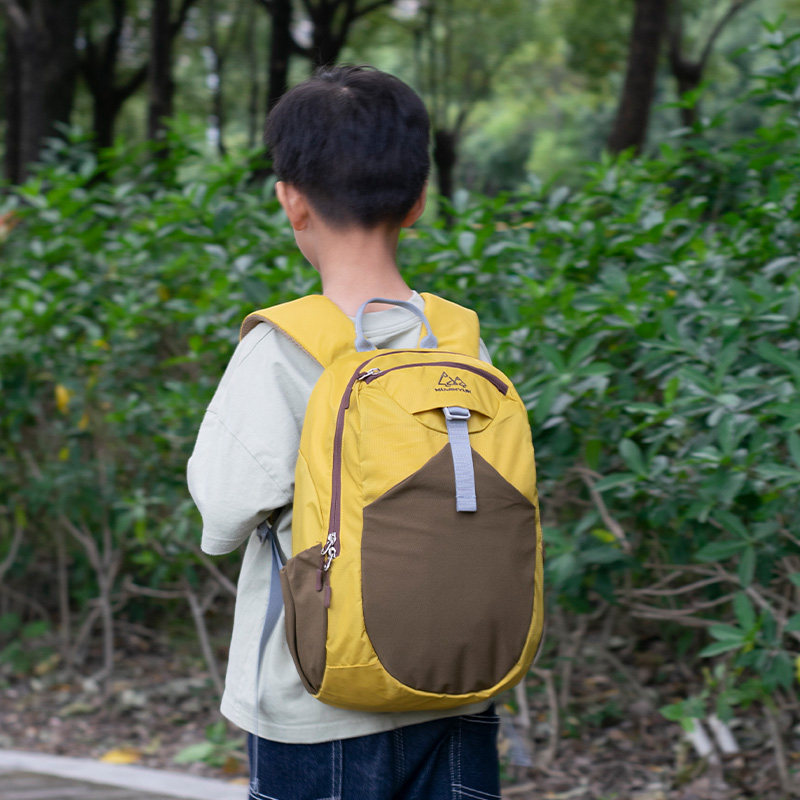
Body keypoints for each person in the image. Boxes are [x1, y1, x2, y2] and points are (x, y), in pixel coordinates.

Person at [187, 65, 501, 800]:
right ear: (419, 200)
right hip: (460, 685)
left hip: (317, 700)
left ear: (290, 202)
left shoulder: (283, 346)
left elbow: (224, 512)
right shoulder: (461, 340)